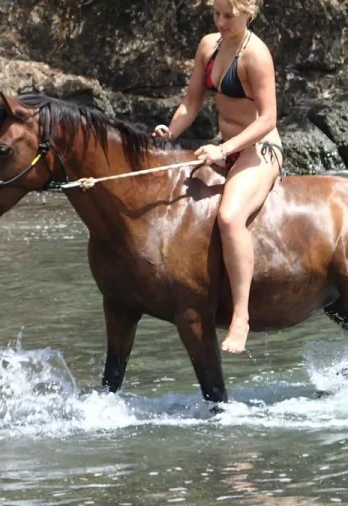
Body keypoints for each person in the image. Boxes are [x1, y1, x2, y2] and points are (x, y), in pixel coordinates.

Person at [152, 0, 283, 354]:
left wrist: (223, 152)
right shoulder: (209, 46)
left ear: (248, 13)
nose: (221, 22)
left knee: (228, 217)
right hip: (224, 147)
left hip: (259, 148)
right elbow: (191, 103)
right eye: (216, 14)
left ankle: (241, 317)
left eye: (229, 15)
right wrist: (172, 130)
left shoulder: (256, 55)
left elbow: (268, 118)